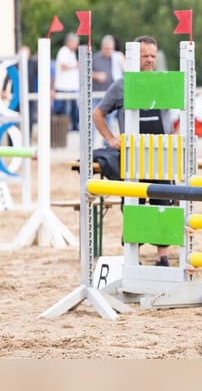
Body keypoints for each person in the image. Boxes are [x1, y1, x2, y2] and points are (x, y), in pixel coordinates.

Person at [93, 35, 176, 266]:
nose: (149, 60)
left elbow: (178, 116)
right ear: (133, 58)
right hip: (133, 156)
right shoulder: (121, 85)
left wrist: (176, 135)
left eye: (152, 55)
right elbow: (98, 114)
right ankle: (133, 258)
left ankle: (162, 257)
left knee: (164, 204)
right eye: (144, 56)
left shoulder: (165, 81)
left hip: (161, 154)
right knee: (133, 205)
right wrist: (110, 138)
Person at [92, 35, 125, 139]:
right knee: (93, 119)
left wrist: (122, 60)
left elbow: (126, 71)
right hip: (96, 95)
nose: (107, 51)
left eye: (110, 48)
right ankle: (91, 144)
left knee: (110, 121)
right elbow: (86, 72)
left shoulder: (117, 58)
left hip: (111, 96)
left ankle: (107, 144)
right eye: (105, 48)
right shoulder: (96, 58)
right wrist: (97, 75)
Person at [53, 32, 80, 132]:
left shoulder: (71, 53)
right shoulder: (63, 52)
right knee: (66, 109)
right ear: (70, 42)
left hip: (72, 87)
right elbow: (63, 66)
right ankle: (64, 128)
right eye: (76, 43)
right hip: (64, 87)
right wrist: (76, 66)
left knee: (74, 109)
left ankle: (74, 126)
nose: (77, 46)